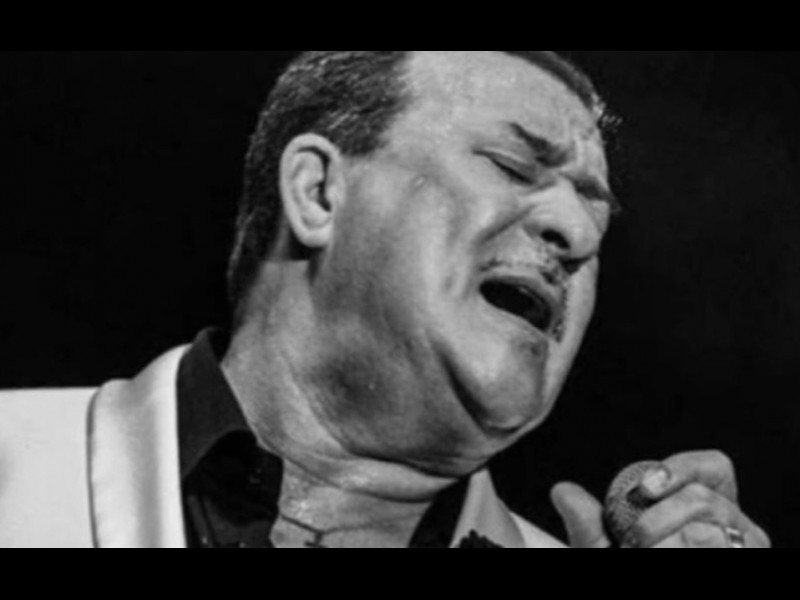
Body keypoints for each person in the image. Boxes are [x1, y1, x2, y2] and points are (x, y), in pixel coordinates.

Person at [0, 51, 771, 548]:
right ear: (318, 192)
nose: (576, 232)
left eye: (595, 215)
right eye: (511, 166)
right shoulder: (21, 462)